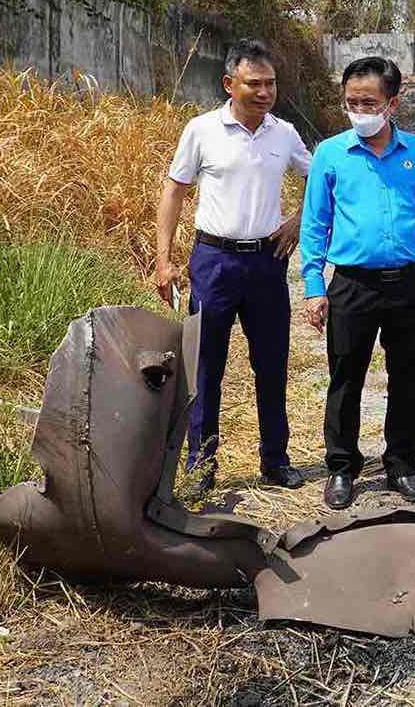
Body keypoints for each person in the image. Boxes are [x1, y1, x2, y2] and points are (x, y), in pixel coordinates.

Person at [154, 38, 312, 492]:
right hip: (213, 261)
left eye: (271, 84)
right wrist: (164, 261)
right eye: (254, 84)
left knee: (272, 364)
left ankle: (275, 460)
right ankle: (200, 465)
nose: (264, 93)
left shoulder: (283, 134)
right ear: (229, 84)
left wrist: (299, 221)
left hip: (266, 263)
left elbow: (324, 177)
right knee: (204, 367)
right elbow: (173, 191)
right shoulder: (202, 130)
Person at [299, 56, 415, 510]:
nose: (359, 110)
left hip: (409, 284)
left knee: (408, 378)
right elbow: (315, 225)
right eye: (351, 102)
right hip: (352, 285)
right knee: (345, 378)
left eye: (369, 102)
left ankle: (402, 464)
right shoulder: (330, 154)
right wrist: (313, 285)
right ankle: (342, 468)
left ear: (392, 103)